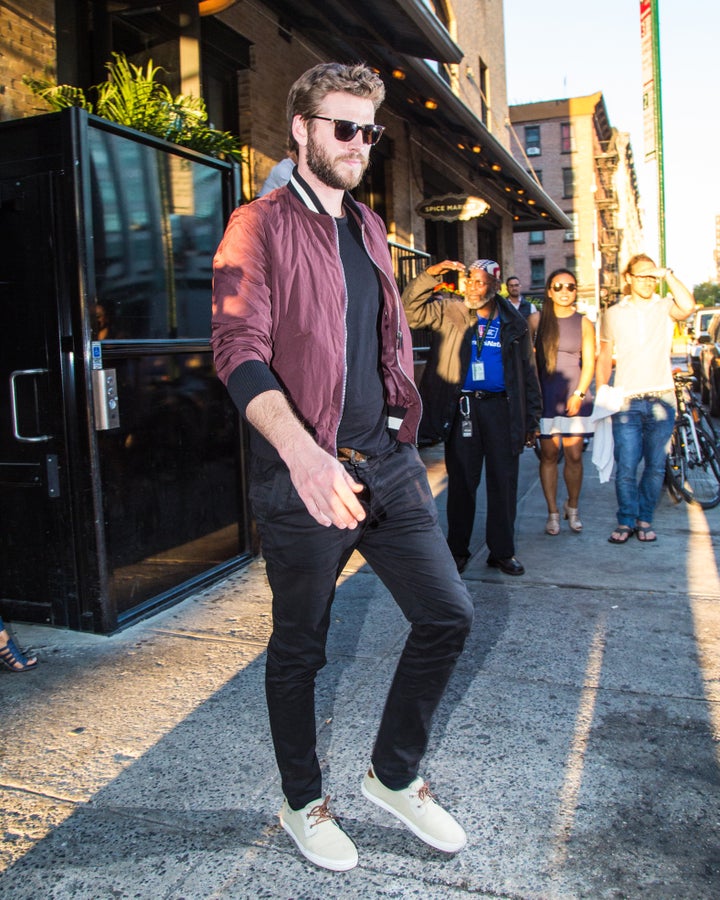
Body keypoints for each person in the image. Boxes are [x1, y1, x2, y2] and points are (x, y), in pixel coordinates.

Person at [212, 62, 473, 872]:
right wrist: (302, 456)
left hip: (385, 463)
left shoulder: (364, 225)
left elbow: (376, 341)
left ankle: (392, 777)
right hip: (307, 474)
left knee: (448, 615)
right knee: (301, 648)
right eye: (344, 127)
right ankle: (302, 801)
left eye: (370, 130)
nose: (361, 144)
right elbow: (237, 349)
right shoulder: (257, 224)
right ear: (301, 128)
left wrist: (402, 422)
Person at [402, 258, 541, 576]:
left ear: (495, 285)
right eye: (469, 281)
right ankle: (458, 551)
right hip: (463, 408)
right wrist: (430, 275)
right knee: (462, 482)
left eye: (479, 282)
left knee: (503, 483)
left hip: (501, 409)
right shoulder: (449, 310)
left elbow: (527, 374)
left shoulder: (514, 322)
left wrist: (532, 419)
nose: (472, 288)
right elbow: (408, 310)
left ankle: (502, 552)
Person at [596, 254, 695, 543]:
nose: (648, 281)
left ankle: (644, 518)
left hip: (662, 398)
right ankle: (626, 519)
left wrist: (667, 274)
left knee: (655, 465)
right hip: (627, 400)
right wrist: (602, 390)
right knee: (626, 465)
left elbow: (687, 306)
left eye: (652, 277)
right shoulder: (613, 313)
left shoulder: (665, 307)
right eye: (642, 276)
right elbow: (604, 355)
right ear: (628, 278)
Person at [535, 269, 596, 535]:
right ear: (549, 291)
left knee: (574, 455)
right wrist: (533, 397)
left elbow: (591, 362)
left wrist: (580, 394)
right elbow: (528, 362)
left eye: (569, 287)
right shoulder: (536, 321)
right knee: (548, 455)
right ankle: (552, 513)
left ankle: (573, 507)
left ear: (575, 291)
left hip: (574, 394)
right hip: (545, 396)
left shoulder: (584, 323)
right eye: (558, 286)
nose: (564, 291)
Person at [505, 275, 539, 340]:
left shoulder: (530, 307)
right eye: (511, 286)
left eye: (516, 285)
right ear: (507, 288)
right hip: (506, 345)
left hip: (525, 344)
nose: (514, 288)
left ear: (520, 287)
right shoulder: (502, 306)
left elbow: (535, 329)